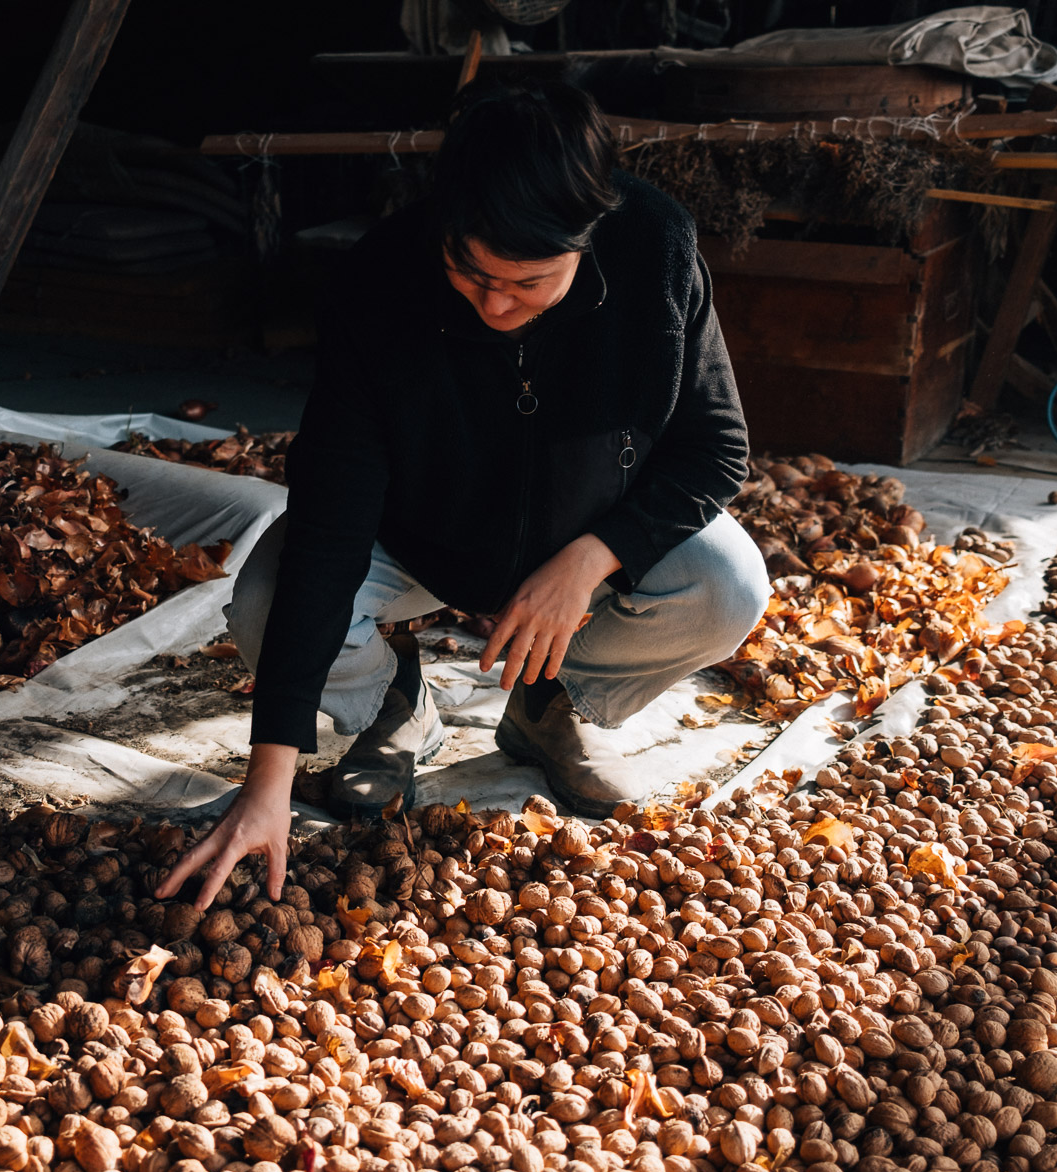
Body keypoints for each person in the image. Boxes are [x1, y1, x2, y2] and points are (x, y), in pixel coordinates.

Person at [158, 76, 769, 909]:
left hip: (581, 537)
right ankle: (394, 705)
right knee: (268, 592)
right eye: (472, 272)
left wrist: (590, 562)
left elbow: (715, 449)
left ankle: (550, 703)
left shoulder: (656, 250)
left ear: (589, 241)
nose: (495, 304)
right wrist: (268, 780)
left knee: (726, 586)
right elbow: (332, 519)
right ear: (443, 223)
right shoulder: (377, 282)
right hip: (418, 538)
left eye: (531, 282)